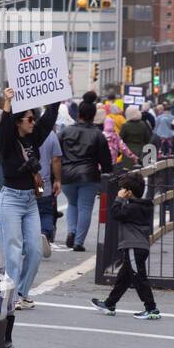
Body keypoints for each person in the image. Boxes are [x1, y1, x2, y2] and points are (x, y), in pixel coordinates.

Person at [0, 90, 59, 310]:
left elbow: (49, 119)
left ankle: (22, 291)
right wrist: (7, 102)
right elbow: (3, 129)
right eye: (29, 119)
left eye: (34, 119)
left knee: (35, 250)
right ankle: (11, 298)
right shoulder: (7, 141)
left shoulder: (34, 136)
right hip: (11, 199)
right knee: (13, 251)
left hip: (30, 200)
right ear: (18, 122)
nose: (33, 122)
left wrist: (57, 93)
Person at [91, 172, 160, 320]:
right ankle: (110, 303)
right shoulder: (142, 206)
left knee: (139, 277)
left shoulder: (131, 208)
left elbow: (116, 213)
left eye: (123, 189)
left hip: (133, 247)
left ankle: (151, 308)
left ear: (128, 192)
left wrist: (119, 198)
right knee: (124, 278)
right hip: (140, 247)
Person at [59, 100, 114, 252]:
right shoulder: (98, 135)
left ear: (78, 114)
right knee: (85, 208)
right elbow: (106, 161)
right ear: (93, 115)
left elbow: (57, 154)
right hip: (89, 175)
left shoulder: (65, 132)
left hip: (67, 175)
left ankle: (71, 230)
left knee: (72, 204)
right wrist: (107, 175)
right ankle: (78, 241)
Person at [36, 128, 62, 253]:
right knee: (45, 211)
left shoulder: (19, 130)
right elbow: (56, 159)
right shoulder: (50, 135)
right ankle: (45, 233)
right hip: (42, 183)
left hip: (23, 183)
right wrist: (57, 179)